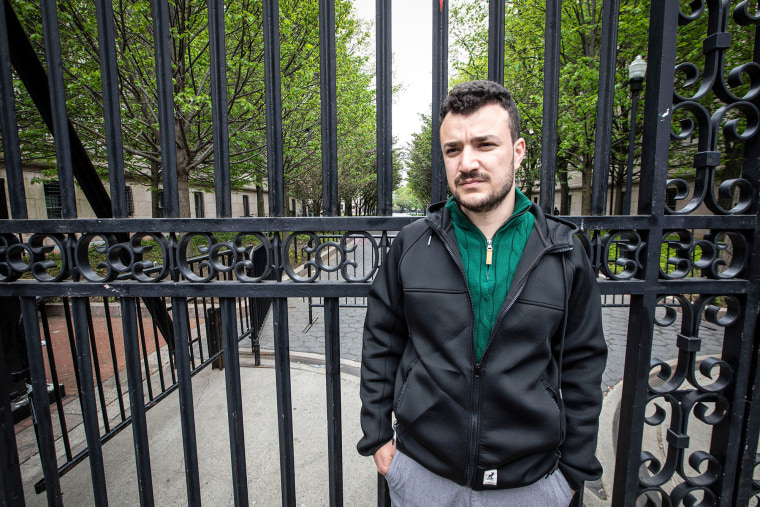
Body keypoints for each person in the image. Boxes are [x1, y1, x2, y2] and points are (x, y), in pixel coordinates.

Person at [357, 80, 607, 505]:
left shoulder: (563, 251)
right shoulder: (412, 244)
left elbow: (583, 363)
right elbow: (382, 342)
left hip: (531, 484)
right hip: (423, 476)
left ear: (519, 150)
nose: (466, 162)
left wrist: (572, 472)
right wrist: (379, 437)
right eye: (453, 150)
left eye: (485, 144)